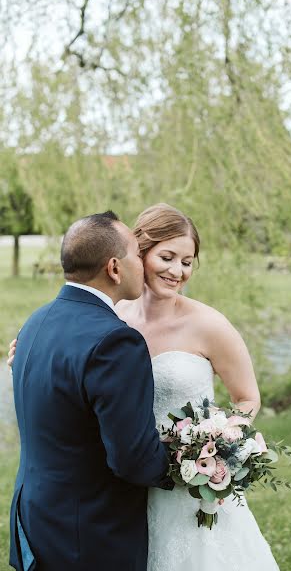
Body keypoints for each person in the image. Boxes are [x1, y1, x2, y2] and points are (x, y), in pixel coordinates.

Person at [9, 203, 280, 571]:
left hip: (183, 487)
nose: (177, 271)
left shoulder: (210, 325)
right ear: (134, 256)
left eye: (187, 261)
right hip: (126, 484)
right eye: (166, 257)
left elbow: (246, 398)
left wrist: (214, 450)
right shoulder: (111, 325)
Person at [8, 211, 171, 571]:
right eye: (136, 254)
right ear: (114, 268)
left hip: (35, 518)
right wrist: (193, 464)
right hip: (90, 535)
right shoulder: (116, 342)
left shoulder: (36, 320)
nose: (143, 263)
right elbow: (132, 459)